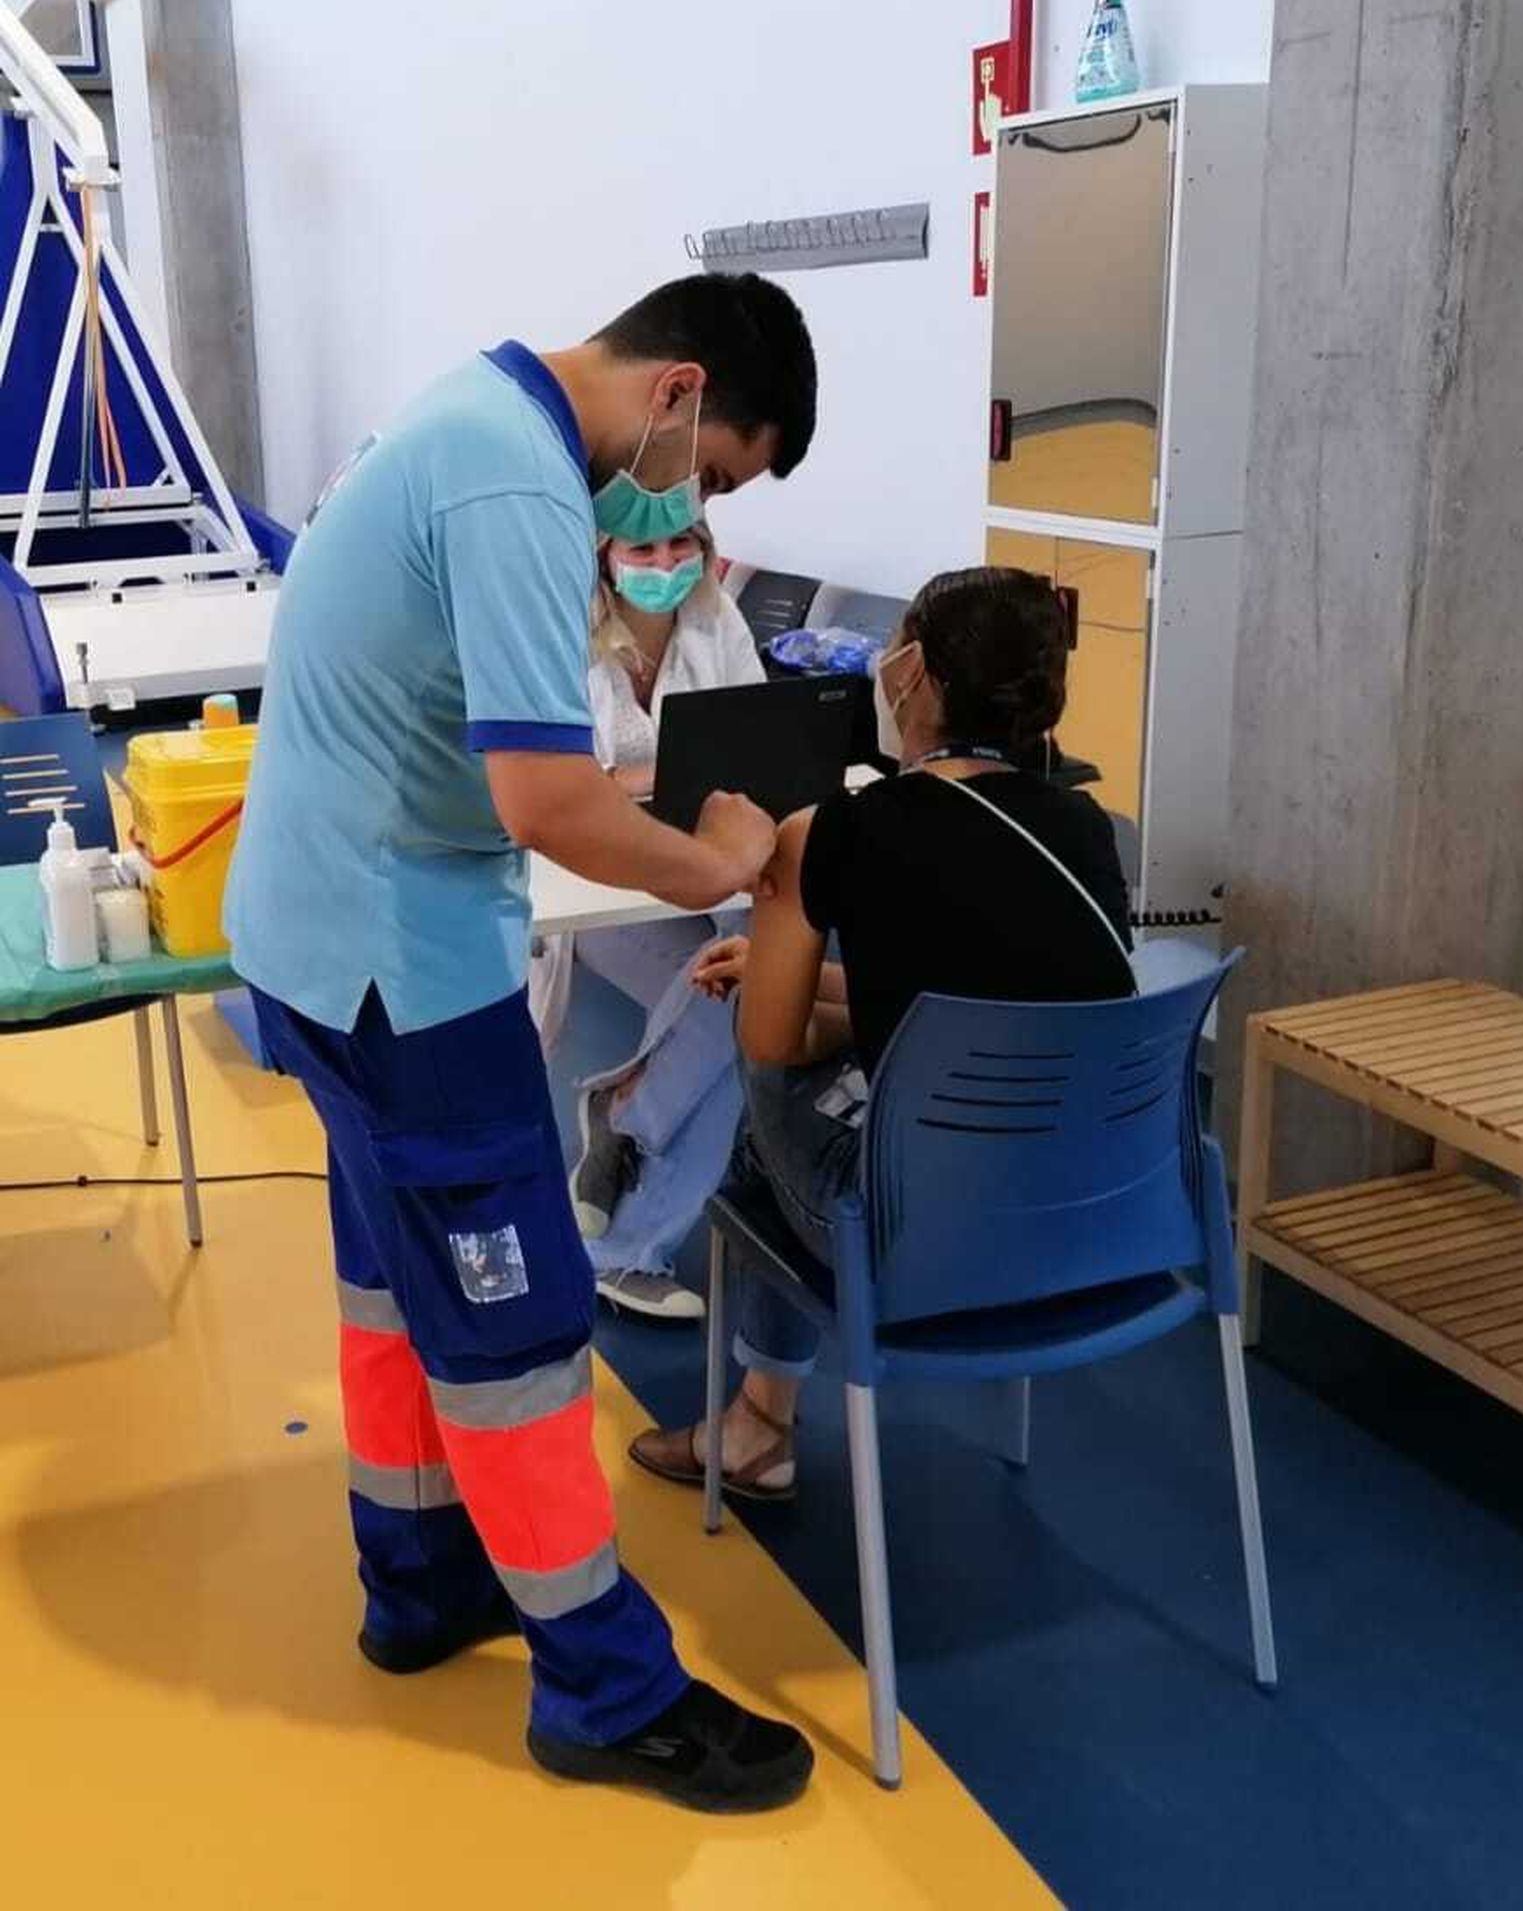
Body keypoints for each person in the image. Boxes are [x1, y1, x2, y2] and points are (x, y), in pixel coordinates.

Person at [224, 274, 820, 1812]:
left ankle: (420, 1579)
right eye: (724, 474)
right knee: (518, 1331)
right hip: (397, 972)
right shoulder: (511, 478)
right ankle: (607, 1690)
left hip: (318, 936)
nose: (700, 513)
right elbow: (547, 804)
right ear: (680, 394)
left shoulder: (468, 415)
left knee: (392, 1283)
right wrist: (722, 859)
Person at [629, 566, 1137, 1501]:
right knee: (858, 1060)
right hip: (1102, 1214)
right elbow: (972, 995)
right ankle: (757, 1423)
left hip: (915, 1232)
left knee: (764, 1116)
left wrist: (800, 996)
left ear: (912, 672)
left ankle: (757, 1426)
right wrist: (831, 995)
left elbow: (768, 1047)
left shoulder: (830, 832)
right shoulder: (1087, 828)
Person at [530, 517, 765, 1323]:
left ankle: (624, 1132)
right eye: (643, 550)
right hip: (599, 891)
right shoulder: (560, 628)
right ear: (605, 553)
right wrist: (664, 775)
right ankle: (625, 1215)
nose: (666, 564)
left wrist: (643, 780)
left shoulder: (715, 616)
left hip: (704, 876)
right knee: (746, 996)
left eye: (680, 547)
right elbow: (562, 785)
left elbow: (757, 738)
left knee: (749, 991)